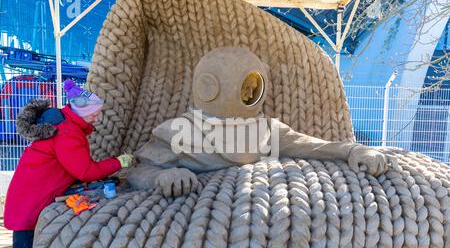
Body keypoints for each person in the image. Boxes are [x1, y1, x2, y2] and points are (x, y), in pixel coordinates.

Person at [127, 47, 398, 198]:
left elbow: (313, 147)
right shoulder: (178, 132)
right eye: (245, 86)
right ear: (210, 87)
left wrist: (353, 150)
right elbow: (136, 170)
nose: (250, 94)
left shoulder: (265, 130)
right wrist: (162, 176)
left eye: (254, 86)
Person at [3, 80, 133, 248]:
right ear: (81, 111)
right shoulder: (67, 134)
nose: (97, 118)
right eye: (94, 113)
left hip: (28, 198)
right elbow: (85, 171)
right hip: (30, 203)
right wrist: (118, 162)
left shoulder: (65, 123)